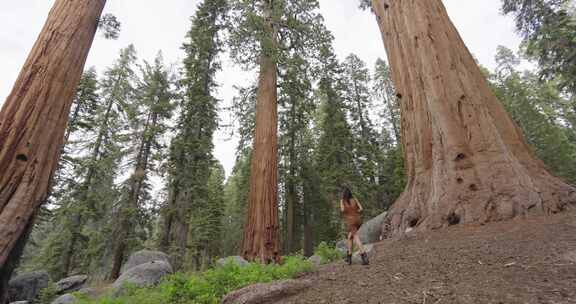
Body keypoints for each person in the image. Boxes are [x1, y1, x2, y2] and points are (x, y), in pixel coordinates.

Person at [340, 187, 369, 265]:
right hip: (358, 220)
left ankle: (364, 256)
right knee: (350, 237)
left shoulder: (342, 201)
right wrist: (355, 211)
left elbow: (342, 210)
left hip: (351, 222)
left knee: (356, 237)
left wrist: (345, 207)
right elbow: (361, 209)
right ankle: (349, 257)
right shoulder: (355, 199)